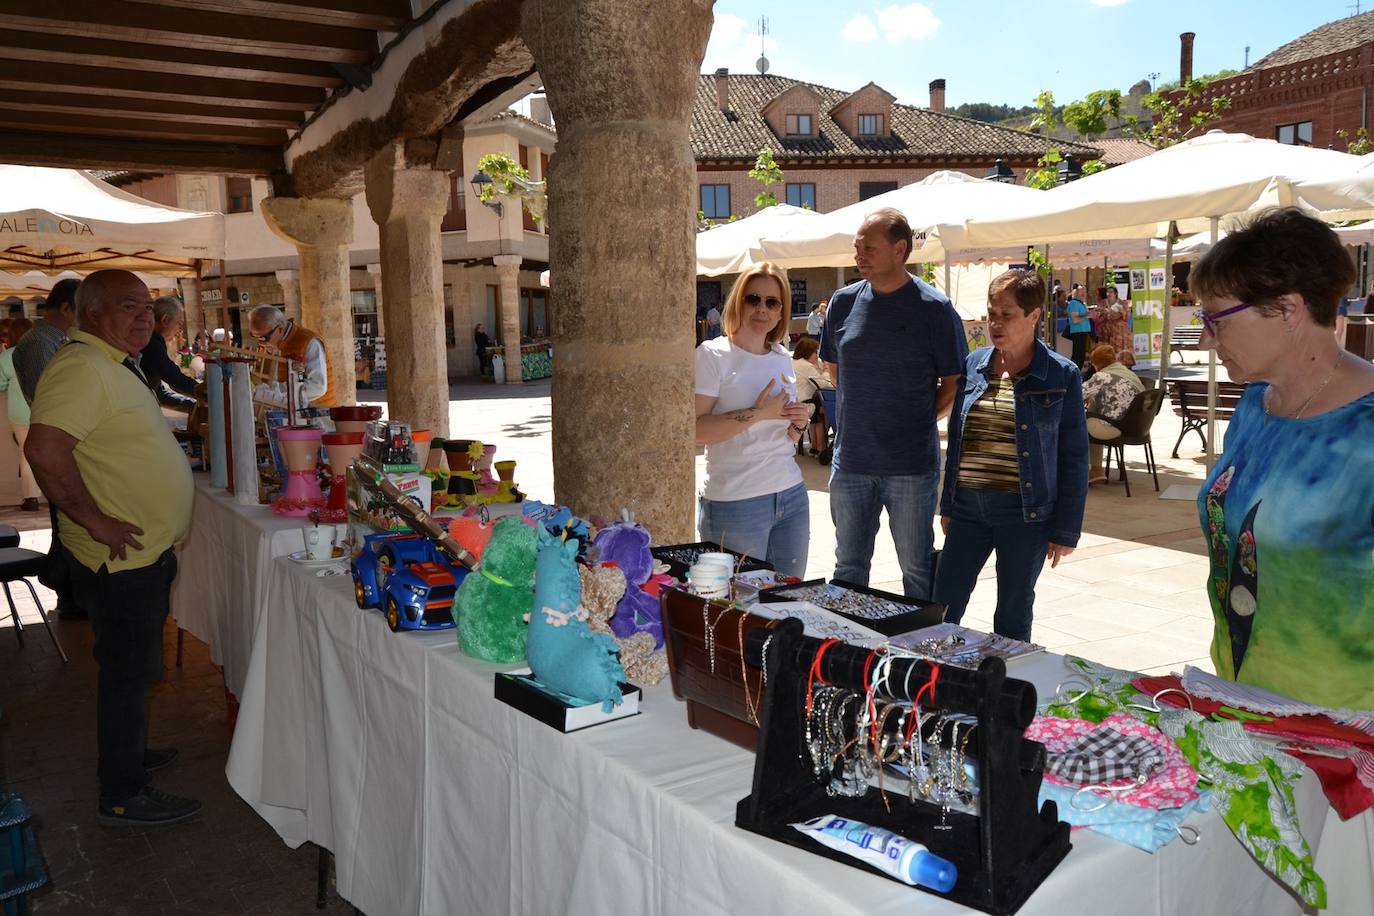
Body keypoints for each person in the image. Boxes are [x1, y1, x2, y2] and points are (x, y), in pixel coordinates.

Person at [25, 269, 199, 827]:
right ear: (92, 312)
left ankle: (130, 753)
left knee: (136, 668)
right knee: (129, 672)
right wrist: (96, 521)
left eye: (148, 306)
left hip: (139, 556)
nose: (145, 316)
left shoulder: (111, 363)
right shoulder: (81, 368)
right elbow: (46, 450)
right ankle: (123, 791)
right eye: (130, 306)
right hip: (119, 558)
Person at [1191, 208, 1374, 709]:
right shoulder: (1255, 404)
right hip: (1242, 698)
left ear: (1289, 310)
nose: (1206, 339)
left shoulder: (1367, 432)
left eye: (1215, 319)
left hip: (1344, 733)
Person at [820, 208, 967, 599]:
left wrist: (918, 417)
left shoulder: (934, 308)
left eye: (869, 247)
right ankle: (850, 652)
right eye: (857, 246)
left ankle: (920, 654)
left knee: (917, 568)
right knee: (848, 567)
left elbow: (954, 382)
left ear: (900, 249)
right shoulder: (843, 302)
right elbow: (833, 367)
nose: (859, 254)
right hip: (850, 463)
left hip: (910, 468)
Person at [935, 269, 1088, 641]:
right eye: (991, 314)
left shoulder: (1060, 374)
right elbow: (958, 439)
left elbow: (1074, 455)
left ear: (1034, 316)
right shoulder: (974, 365)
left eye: (1007, 315)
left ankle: (1006, 689)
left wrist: (1066, 529)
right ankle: (932, 681)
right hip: (969, 508)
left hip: (1026, 514)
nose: (996, 323)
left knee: (1013, 613)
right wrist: (949, 504)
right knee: (942, 604)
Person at [694, 262, 811, 577]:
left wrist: (797, 425)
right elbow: (695, 430)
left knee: (788, 602)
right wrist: (759, 414)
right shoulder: (712, 354)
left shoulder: (783, 358)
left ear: (780, 311)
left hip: (791, 495)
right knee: (738, 607)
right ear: (738, 302)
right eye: (753, 299)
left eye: (772, 302)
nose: (762, 309)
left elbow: (785, 436)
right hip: (736, 502)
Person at [12, 278, 83, 617]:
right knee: (68, 526)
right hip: (60, 444)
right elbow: (52, 400)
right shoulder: (42, 342)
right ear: (67, 308)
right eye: (81, 310)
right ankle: (69, 594)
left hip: (62, 441)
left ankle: (70, 592)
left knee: (68, 525)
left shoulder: (52, 339)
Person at [1081, 343, 1145, 485]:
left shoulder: (1101, 376)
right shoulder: (1128, 373)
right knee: (1095, 409)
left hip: (1116, 428)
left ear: (1096, 364)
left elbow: (1075, 396)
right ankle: (1096, 470)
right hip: (1139, 428)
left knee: (1079, 424)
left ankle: (1088, 470)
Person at [246, 305, 334, 407]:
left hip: (316, 413)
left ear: (280, 329)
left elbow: (317, 386)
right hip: (291, 412)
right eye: (255, 337)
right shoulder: (274, 345)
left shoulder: (308, 342)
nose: (261, 343)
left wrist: (274, 390)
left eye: (264, 338)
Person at [0, 317, 41, 511]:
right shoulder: (41, 352)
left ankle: (31, 497)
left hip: (19, 412)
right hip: (43, 409)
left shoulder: (6, 356)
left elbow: (1, 384)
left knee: (26, 453)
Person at [140, 296, 197, 398]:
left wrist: (192, 404)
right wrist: (206, 392)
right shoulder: (151, 343)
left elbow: (158, 392)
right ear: (165, 320)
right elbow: (174, 378)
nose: (179, 332)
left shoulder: (151, 340)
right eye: (179, 324)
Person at [791, 336, 833, 455]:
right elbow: (824, 384)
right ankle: (821, 447)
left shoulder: (795, 362)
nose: (817, 355)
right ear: (808, 352)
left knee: (818, 406)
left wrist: (819, 365)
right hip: (804, 404)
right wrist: (826, 369)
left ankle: (814, 446)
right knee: (824, 409)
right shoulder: (806, 366)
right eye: (815, 351)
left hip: (795, 402)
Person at [1095, 284, 1132, 356]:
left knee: (1119, 351)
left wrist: (1119, 312)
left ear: (1115, 293)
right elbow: (1098, 317)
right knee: (1106, 351)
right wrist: (1102, 313)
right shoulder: (1103, 303)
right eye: (1107, 292)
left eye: (1111, 292)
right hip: (1106, 331)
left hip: (1119, 331)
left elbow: (1126, 316)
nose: (1108, 294)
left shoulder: (1122, 303)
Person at [1066, 284, 1091, 368]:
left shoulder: (1082, 303)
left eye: (1085, 291)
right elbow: (1075, 320)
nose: (1083, 293)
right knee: (1077, 357)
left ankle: (1076, 375)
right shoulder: (1074, 303)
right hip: (1078, 332)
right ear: (1076, 292)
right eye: (1081, 291)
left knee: (1081, 357)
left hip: (1083, 332)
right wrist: (1088, 316)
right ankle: (1073, 375)